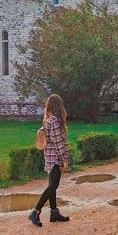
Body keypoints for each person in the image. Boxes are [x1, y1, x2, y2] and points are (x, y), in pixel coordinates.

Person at [29, 94, 71, 227]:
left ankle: (54, 212)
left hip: (49, 156)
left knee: (52, 185)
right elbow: (59, 142)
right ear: (59, 106)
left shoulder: (48, 120)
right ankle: (35, 211)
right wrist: (65, 159)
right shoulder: (55, 121)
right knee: (53, 186)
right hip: (55, 158)